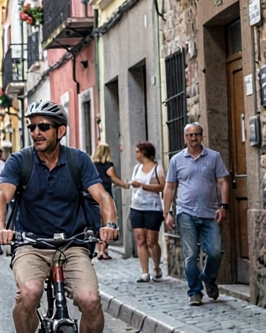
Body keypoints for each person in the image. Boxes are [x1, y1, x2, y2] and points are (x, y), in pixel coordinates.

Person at [0, 101, 119, 333]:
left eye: (43, 126)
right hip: (31, 244)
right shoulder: (19, 162)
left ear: (60, 131)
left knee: (90, 300)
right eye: (32, 126)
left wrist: (109, 223)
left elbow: (102, 197)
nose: (36, 132)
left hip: (73, 244)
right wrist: (1, 228)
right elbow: (1, 199)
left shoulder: (78, 161)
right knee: (30, 293)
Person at [162, 122, 230, 306]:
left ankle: (208, 278)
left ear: (201, 136)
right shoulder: (176, 160)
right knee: (190, 255)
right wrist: (166, 213)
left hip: (210, 212)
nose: (194, 138)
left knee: (215, 252)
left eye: (197, 134)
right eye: (190, 135)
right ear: (185, 138)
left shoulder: (214, 157)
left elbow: (223, 181)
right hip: (185, 213)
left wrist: (224, 206)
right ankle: (195, 292)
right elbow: (169, 187)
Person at [107, 142, 166, 282]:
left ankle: (156, 267)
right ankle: (144, 273)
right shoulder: (137, 168)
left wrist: (144, 186)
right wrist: (129, 185)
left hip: (153, 208)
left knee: (152, 241)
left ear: (144, 153)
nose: (136, 155)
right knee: (140, 239)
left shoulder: (157, 169)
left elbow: (163, 187)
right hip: (137, 207)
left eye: (137, 152)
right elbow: (133, 184)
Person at [91, 143, 118, 260]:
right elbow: (114, 178)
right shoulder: (108, 165)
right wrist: (126, 184)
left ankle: (100, 250)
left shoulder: (92, 165)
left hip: (93, 197)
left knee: (98, 224)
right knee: (106, 224)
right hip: (105, 197)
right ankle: (103, 251)